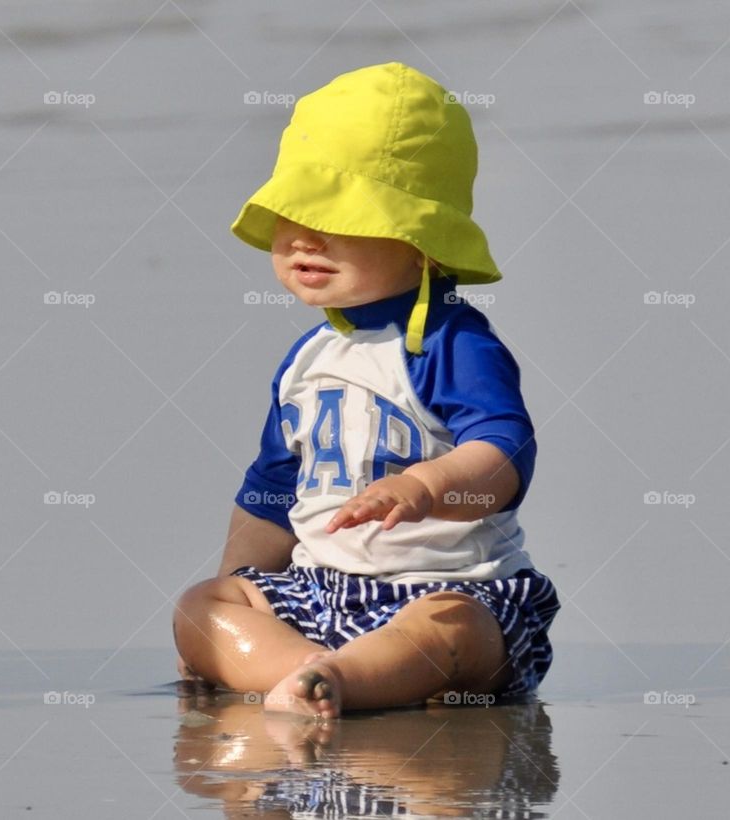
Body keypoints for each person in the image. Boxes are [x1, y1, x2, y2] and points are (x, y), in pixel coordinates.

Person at [173, 62, 560, 719]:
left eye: (338, 215)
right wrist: (234, 597)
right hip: (322, 596)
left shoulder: (452, 343)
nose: (303, 236)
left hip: (447, 589)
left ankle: (347, 679)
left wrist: (425, 487)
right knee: (202, 607)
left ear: (423, 243)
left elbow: (505, 451)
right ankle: (308, 673)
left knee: (452, 632)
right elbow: (270, 492)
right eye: (291, 213)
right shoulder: (310, 360)